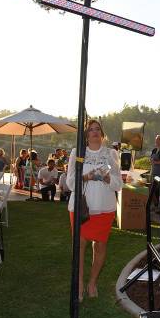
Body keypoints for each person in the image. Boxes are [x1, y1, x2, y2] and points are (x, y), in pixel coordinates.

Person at [67, 119, 122, 301]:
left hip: (105, 208)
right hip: (81, 207)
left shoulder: (111, 153)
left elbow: (118, 184)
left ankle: (92, 283)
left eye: (97, 129)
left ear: (102, 133)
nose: (94, 132)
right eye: (90, 130)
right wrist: (87, 176)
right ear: (86, 134)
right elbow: (70, 182)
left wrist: (107, 179)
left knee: (100, 246)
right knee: (79, 245)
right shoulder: (77, 152)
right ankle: (80, 283)